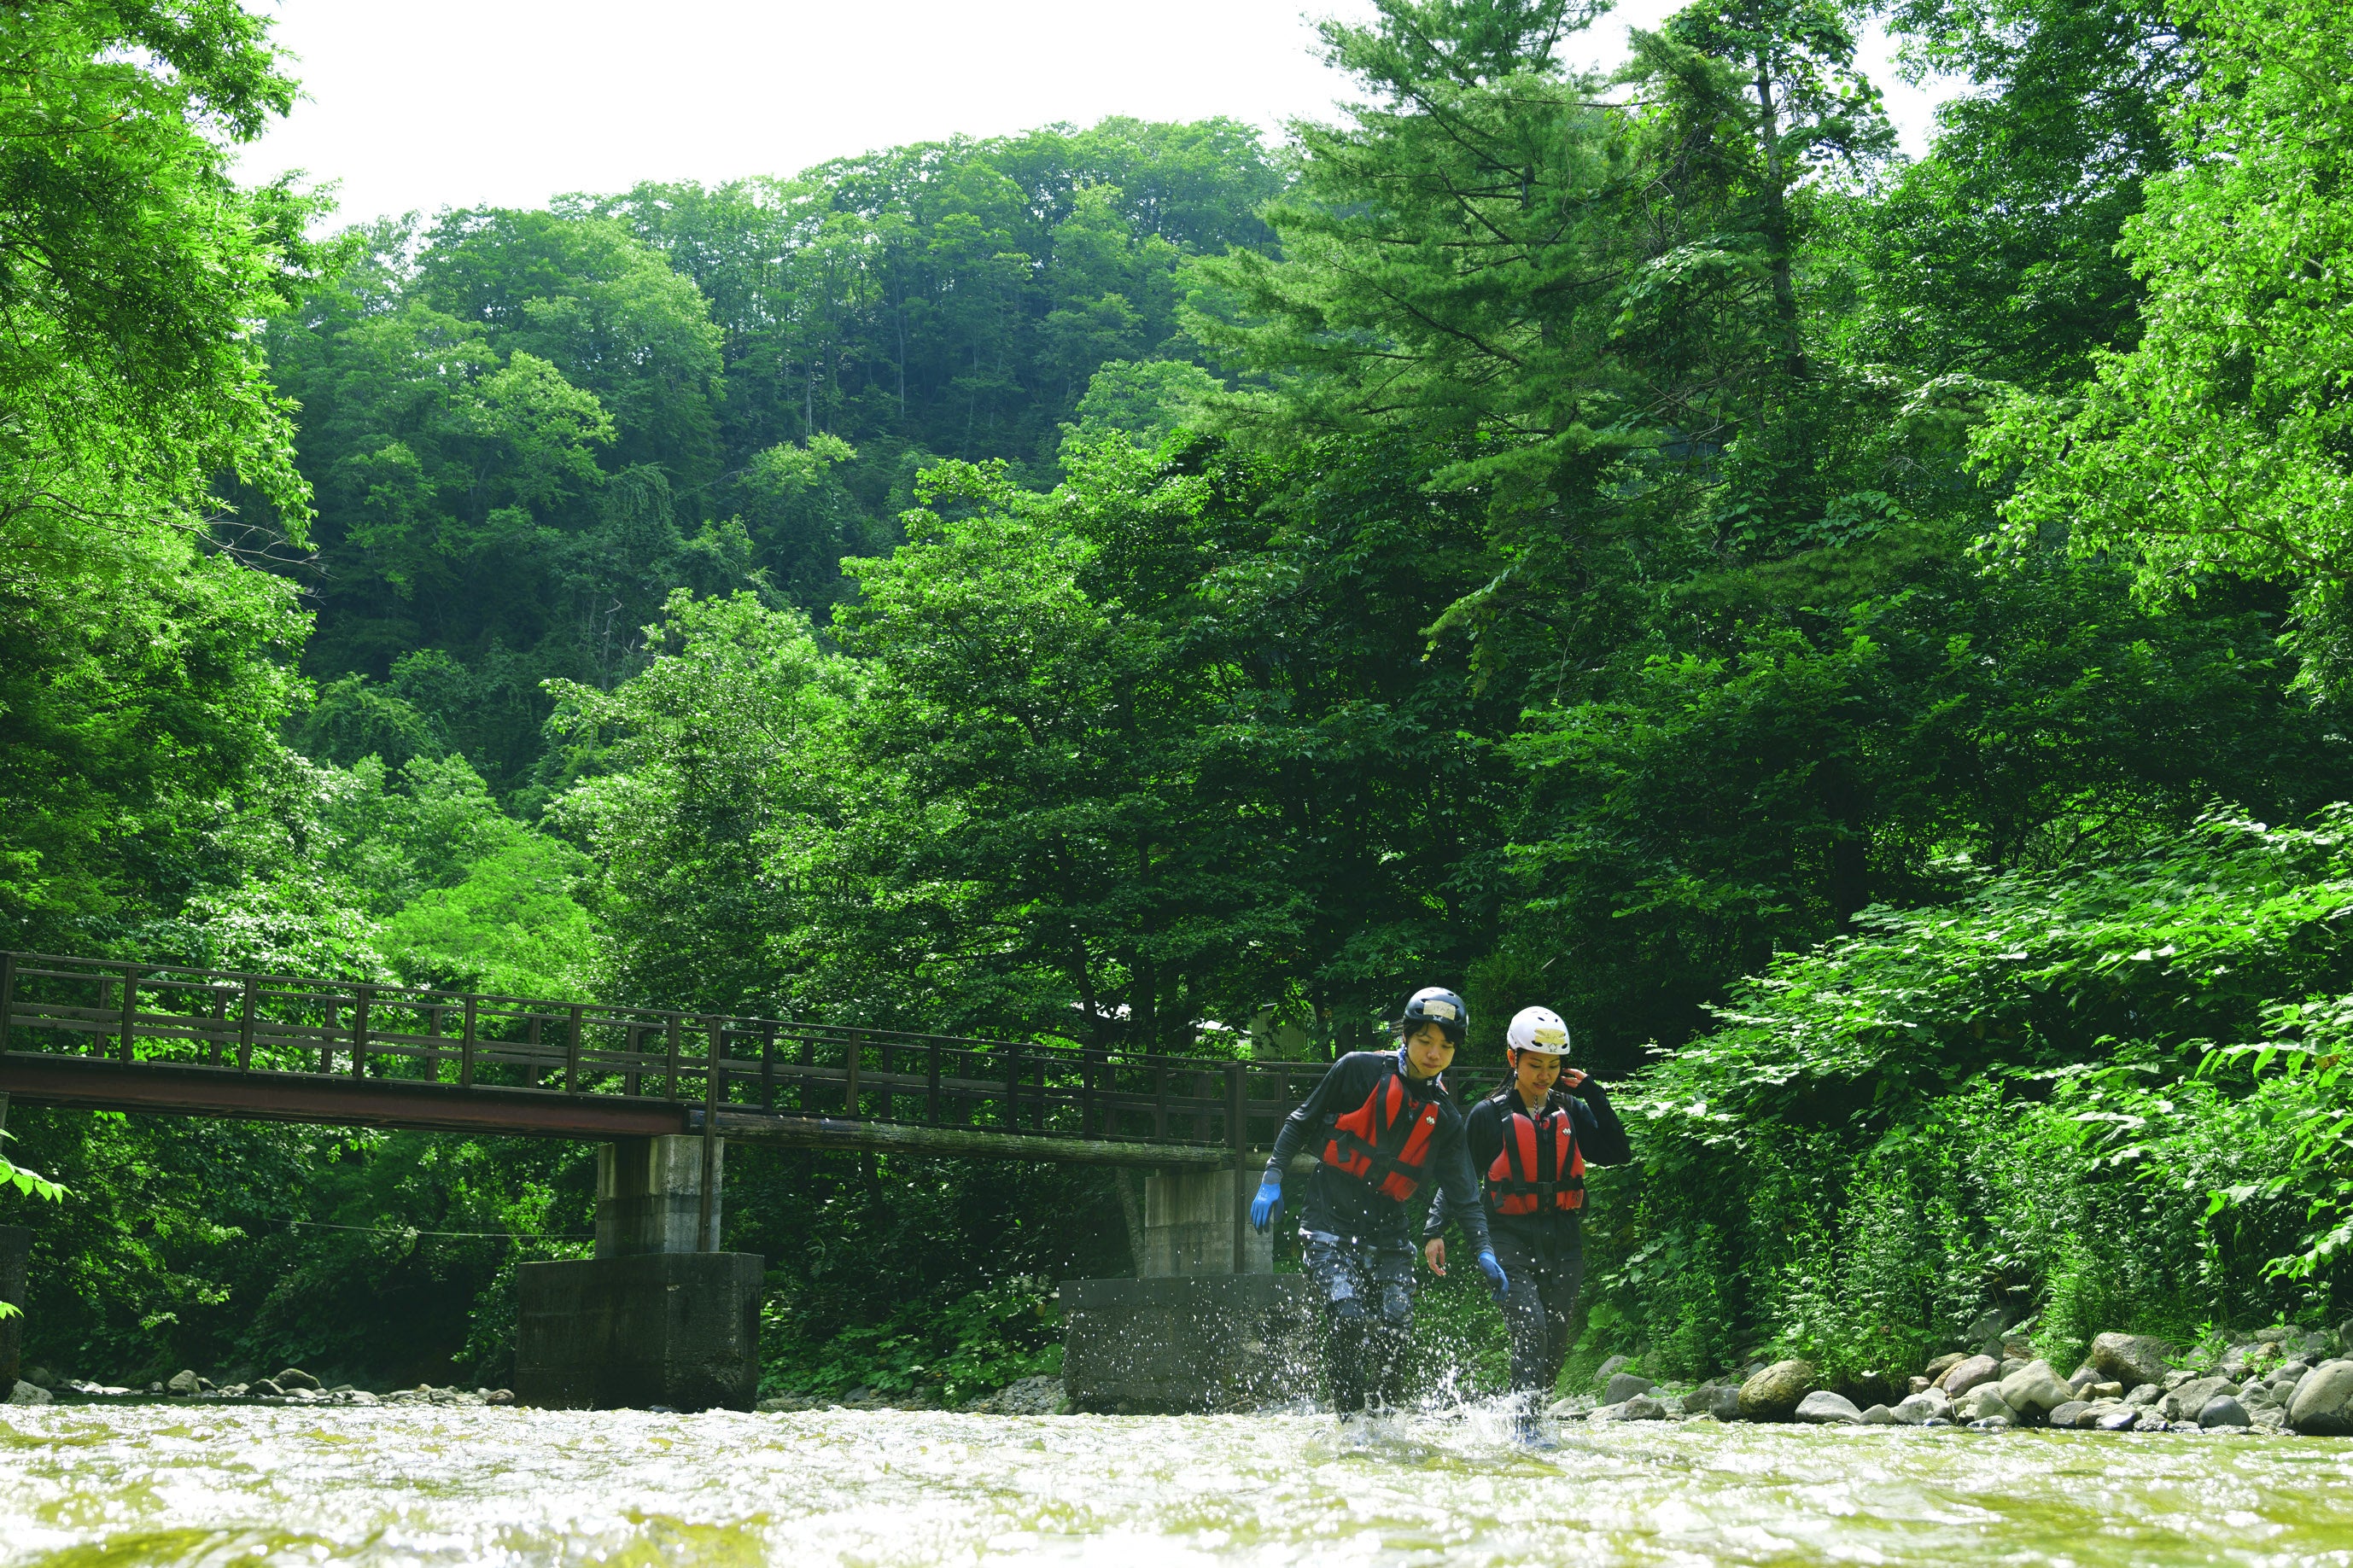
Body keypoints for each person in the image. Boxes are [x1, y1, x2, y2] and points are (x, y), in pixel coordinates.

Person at [1250, 986, 1506, 1425]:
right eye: (1425, 1040)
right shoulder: (1358, 1071)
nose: (1434, 1053)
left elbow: (1465, 1194)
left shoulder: (1444, 1117)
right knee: (1348, 1316)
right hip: (1327, 1218)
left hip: (1387, 1228)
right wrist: (1271, 1177)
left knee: (1397, 1322)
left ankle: (1385, 1422)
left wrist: (1483, 1249)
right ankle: (1350, 1423)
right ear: (1405, 1037)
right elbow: (1301, 1120)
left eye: (1446, 1045)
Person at [1424, 1004, 1629, 1447]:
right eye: (1536, 1065)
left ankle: (1528, 1417)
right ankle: (1526, 1432)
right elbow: (1460, 1177)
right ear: (1513, 1059)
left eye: (1554, 1066)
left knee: (1554, 1340)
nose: (1545, 1075)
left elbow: (1616, 1152)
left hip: (1564, 1240)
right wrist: (1434, 1229)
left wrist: (1596, 1095)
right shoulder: (1488, 1114)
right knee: (1530, 1328)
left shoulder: (1571, 1109)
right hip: (1506, 1238)